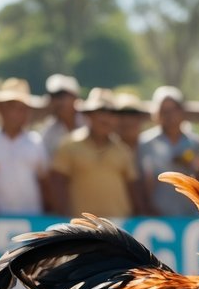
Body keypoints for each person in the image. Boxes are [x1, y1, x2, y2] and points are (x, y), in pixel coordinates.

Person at [49, 88, 137, 218]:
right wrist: (64, 218)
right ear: (89, 115)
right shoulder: (69, 145)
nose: (106, 118)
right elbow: (57, 184)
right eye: (100, 112)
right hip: (81, 226)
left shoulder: (123, 150)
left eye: (111, 113)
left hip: (118, 226)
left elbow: (133, 189)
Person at [0, 78, 49, 216]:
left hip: (31, 219)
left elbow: (44, 182)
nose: (16, 113)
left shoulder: (35, 142)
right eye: (11, 107)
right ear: (0, 108)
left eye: (21, 108)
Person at [137, 86, 199, 218]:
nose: (169, 115)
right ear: (157, 113)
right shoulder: (146, 143)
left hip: (190, 214)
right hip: (157, 215)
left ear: (181, 112)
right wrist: (147, 209)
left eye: (173, 110)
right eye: (164, 111)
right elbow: (142, 181)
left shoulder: (195, 143)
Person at [112, 92, 155, 216]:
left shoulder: (151, 147)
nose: (127, 121)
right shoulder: (106, 149)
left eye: (133, 115)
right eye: (122, 115)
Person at [40, 73, 83, 156]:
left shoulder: (90, 122)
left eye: (60, 96)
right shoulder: (48, 133)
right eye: (53, 97)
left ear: (74, 97)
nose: (57, 102)